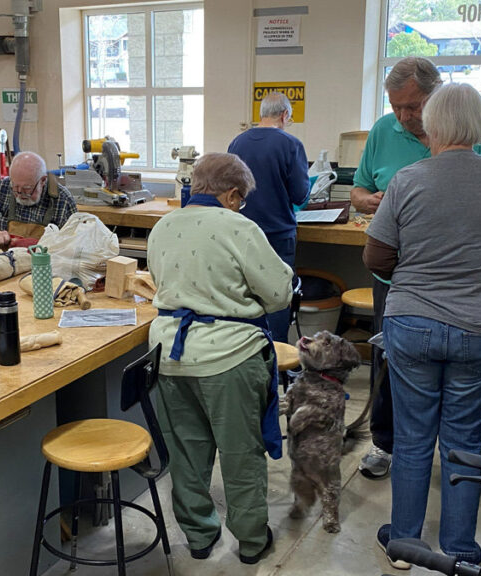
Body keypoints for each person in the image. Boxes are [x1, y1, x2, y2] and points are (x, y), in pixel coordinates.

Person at [364, 83, 481, 568]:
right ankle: (459, 548)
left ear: (432, 124)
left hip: (413, 324)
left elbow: (376, 255)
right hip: (480, 326)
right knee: (464, 438)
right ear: (479, 126)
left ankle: (405, 545)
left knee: (412, 438)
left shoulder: (408, 180)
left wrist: (414, 272)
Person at [351, 57, 481, 480]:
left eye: (415, 106)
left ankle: (436, 456)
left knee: (433, 386)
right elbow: (360, 187)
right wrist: (366, 200)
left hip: (456, 278)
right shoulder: (386, 131)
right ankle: (385, 442)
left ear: (438, 97)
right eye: (396, 106)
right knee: (390, 363)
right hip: (398, 279)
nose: (405, 117)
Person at [147, 153, 293, 565]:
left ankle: (198, 535)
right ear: (231, 195)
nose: (241, 205)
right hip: (229, 355)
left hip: (169, 355)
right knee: (240, 453)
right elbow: (279, 293)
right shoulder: (239, 227)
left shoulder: (162, 226)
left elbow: (163, 283)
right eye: (241, 198)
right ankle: (250, 542)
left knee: (187, 454)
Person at [227, 92, 310, 342]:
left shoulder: (236, 143)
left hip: (240, 234)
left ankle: (246, 354)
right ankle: (276, 358)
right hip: (277, 236)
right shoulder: (290, 144)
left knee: (243, 294)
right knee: (276, 295)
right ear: (284, 115)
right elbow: (300, 194)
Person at [0, 152, 77, 247]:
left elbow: (75, 245)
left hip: (42, 266)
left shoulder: (62, 199)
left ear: (43, 181)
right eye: (15, 187)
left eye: (27, 189)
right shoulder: (4, 187)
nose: (20, 194)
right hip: (1, 262)